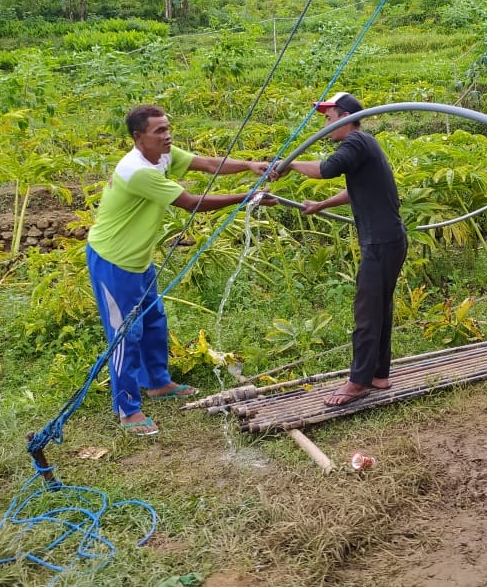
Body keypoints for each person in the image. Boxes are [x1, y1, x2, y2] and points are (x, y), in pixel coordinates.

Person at [87, 104, 277, 437]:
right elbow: (192, 203)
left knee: (154, 321)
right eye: (159, 130)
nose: (167, 135)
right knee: (125, 335)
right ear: (138, 137)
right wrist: (247, 196)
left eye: (168, 128)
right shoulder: (137, 171)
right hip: (113, 262)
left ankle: (158, 383)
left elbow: (208, 164)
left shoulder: (161, 155)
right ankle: (128, 410)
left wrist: (249, 165)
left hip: (139, 259)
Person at [284, 92, 408, 407]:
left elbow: (326, 169)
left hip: (380, 241)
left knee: (367, 312)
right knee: (379, 308)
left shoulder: (355, 142)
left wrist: (291, 165)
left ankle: (358, 382)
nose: (325, 126)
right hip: (387, 239)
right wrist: (321, 205)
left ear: (346, 118)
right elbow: (356, 190)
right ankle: (378, 375)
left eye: (328, 119)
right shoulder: (364, 145)